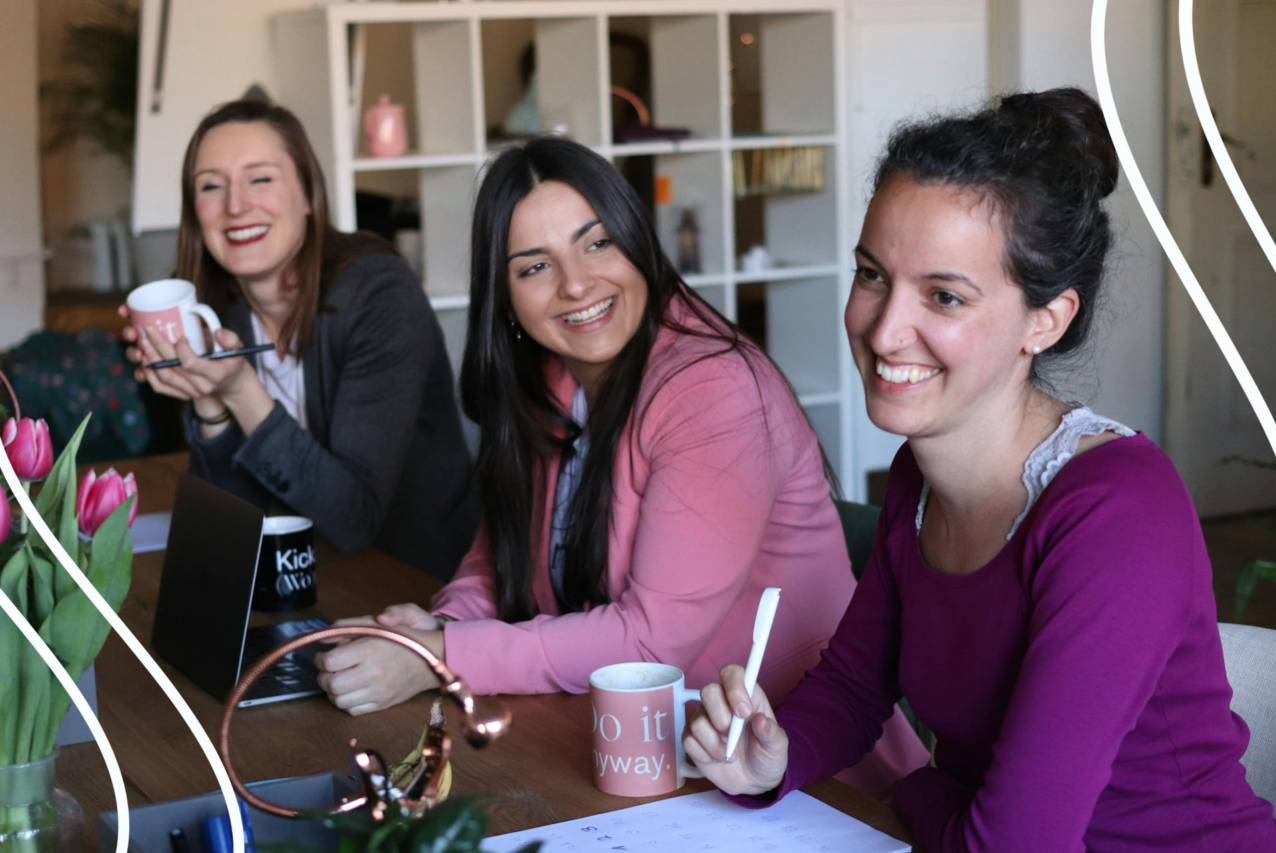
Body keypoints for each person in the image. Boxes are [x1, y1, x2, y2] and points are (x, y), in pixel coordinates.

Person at [684, 88, 1276, 851]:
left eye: (944, 295)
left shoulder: (1118, 514)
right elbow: (856, 684)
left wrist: (922, 791)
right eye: (873, 275)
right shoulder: (918, 476)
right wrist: (771, 758)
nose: (885, 328)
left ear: (1047, 319)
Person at [312, 136, 929, 792]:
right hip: (638, 758)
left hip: (799, 776)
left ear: (637, 240)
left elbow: (651, 643)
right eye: (533, 266)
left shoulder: (710, 387)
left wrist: (442, 657)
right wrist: (439, 626)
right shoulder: (549, 378)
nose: (577, 282)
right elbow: (498, 560)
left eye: (597, 242)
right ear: (506, 298)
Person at [122, 99, 478, 580]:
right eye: (211, 185)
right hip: (300, 576)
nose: (235, 205)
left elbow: (354, 521)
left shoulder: (379, 294)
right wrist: (210, 404)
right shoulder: (217, 311)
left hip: (416, 584)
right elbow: (232, 524)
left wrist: (241, 390)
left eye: (260, 178)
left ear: (309, 194)